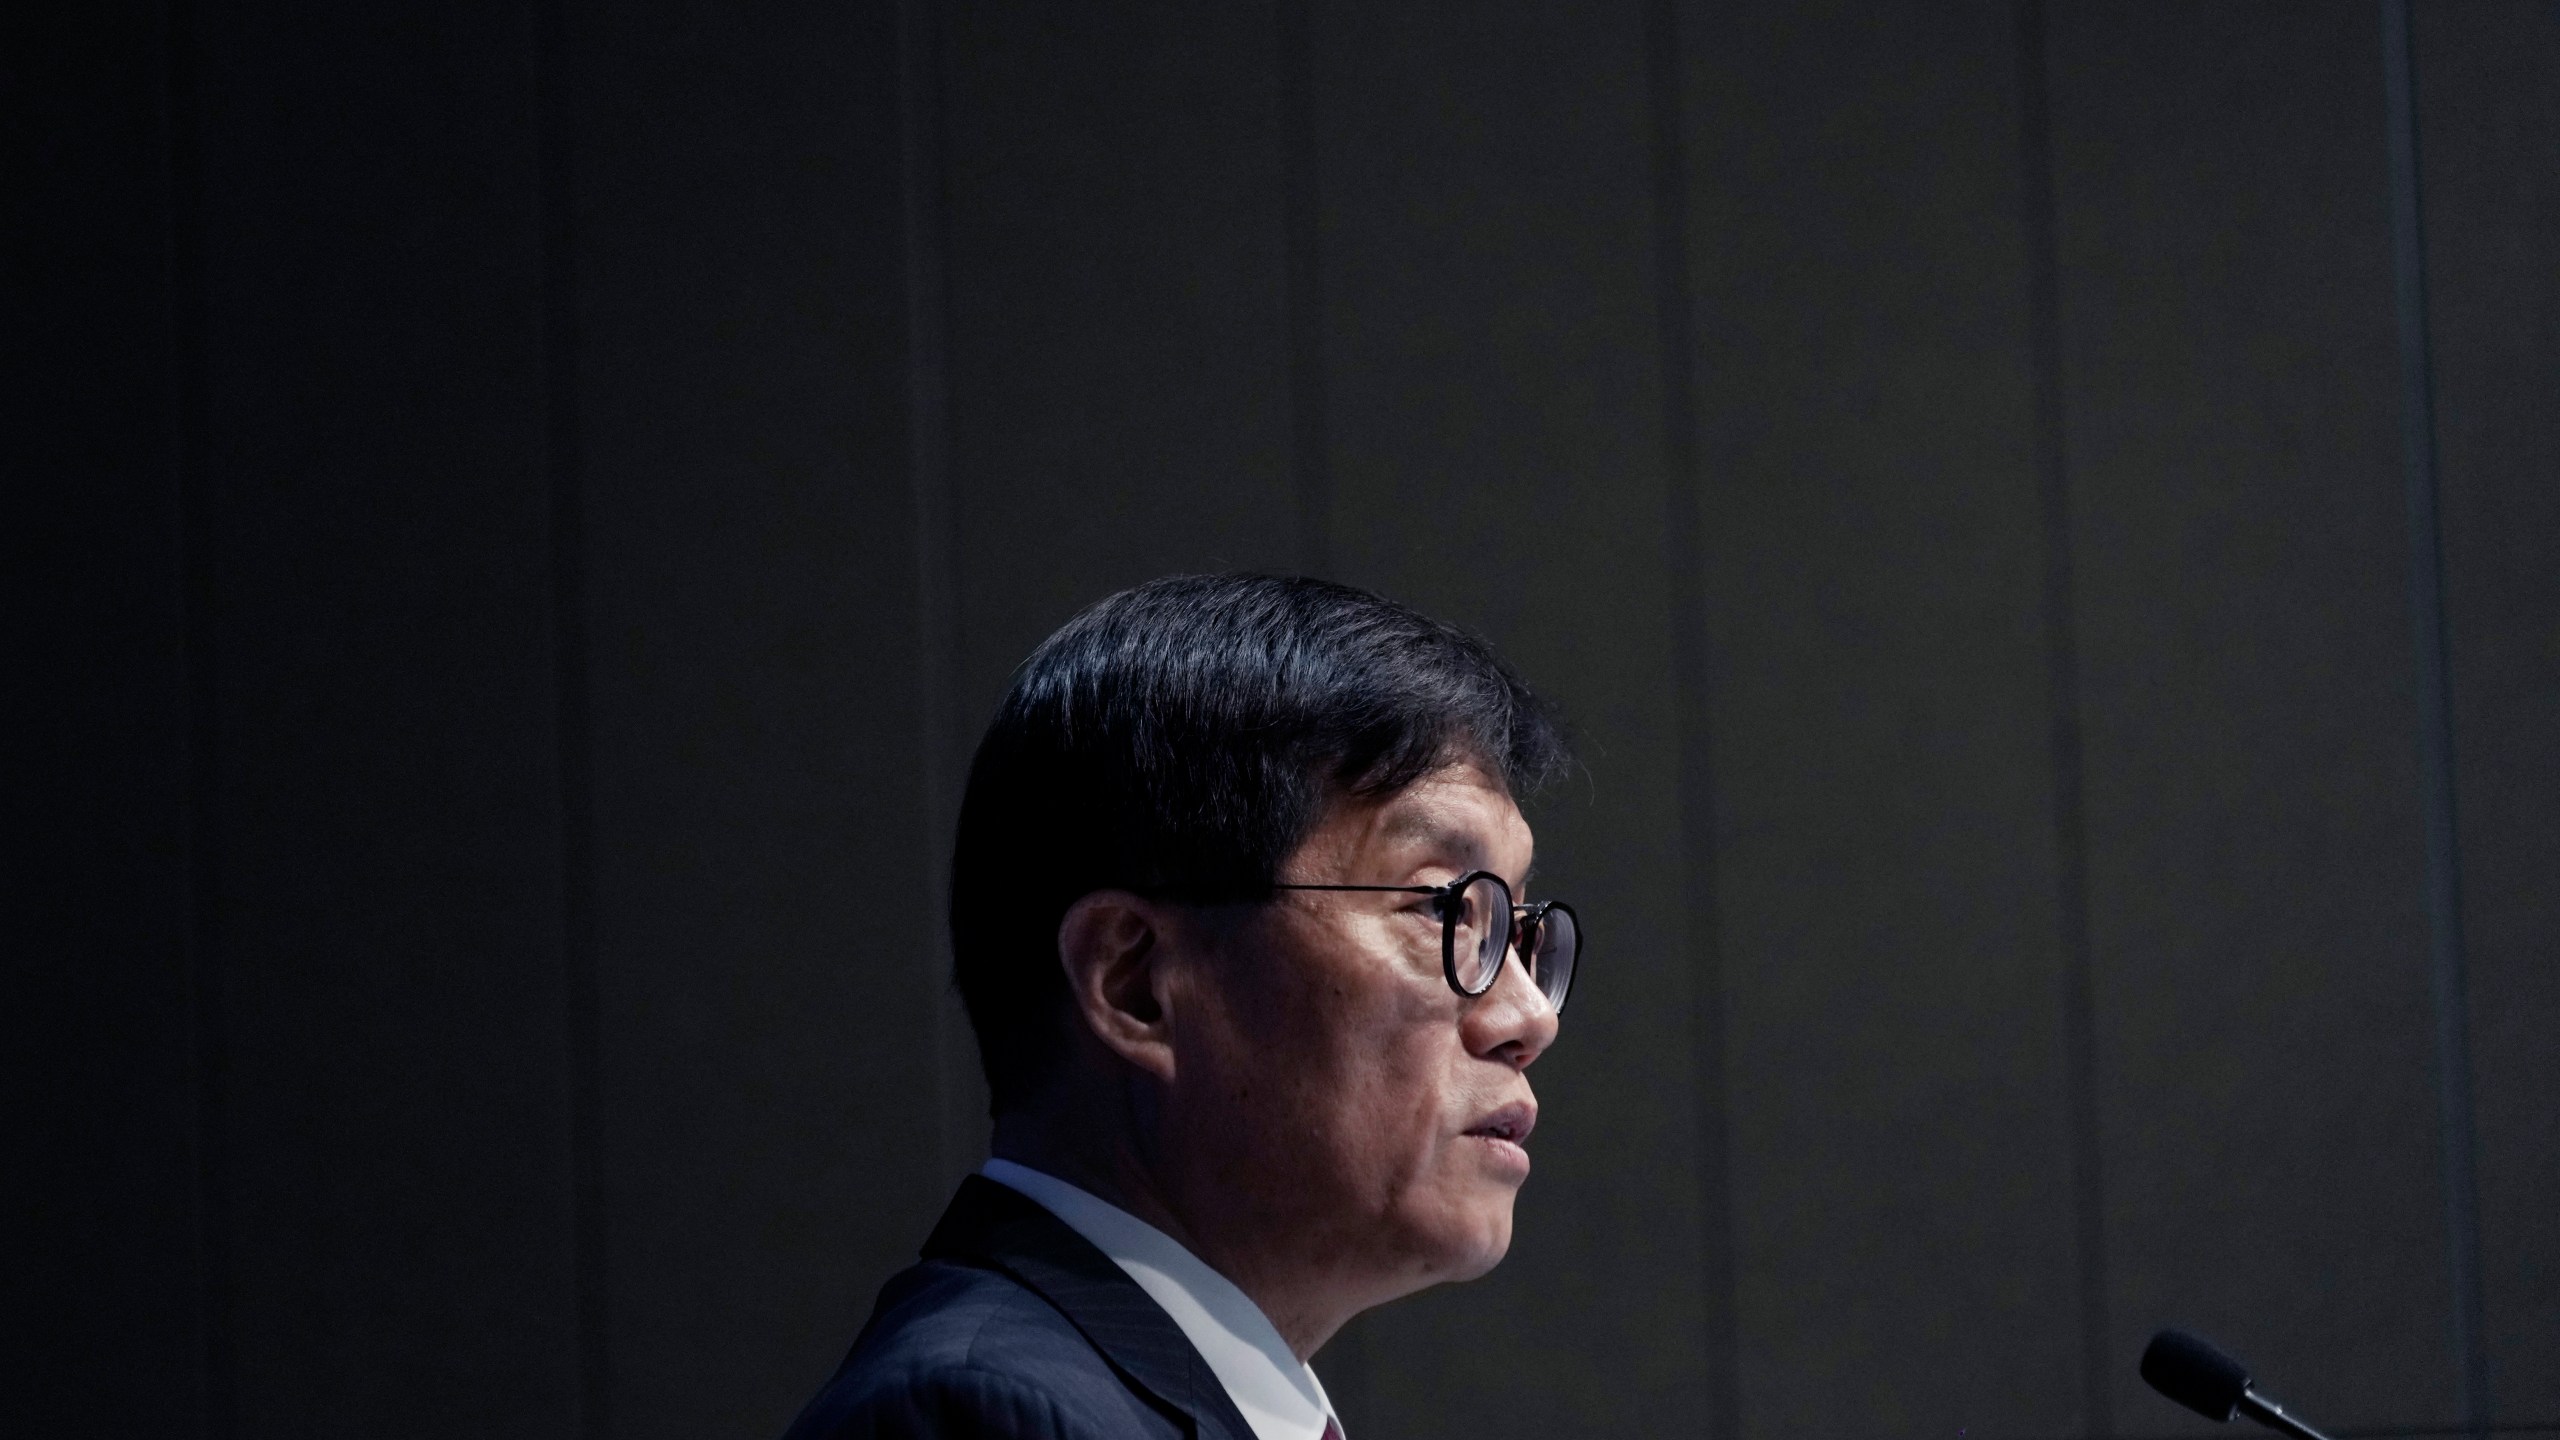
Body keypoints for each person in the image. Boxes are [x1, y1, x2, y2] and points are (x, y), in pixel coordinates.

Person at [783, 574, 1583, 1440]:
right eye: (1440, 908)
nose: (1529, 1015)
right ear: (1136, 983)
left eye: (1515, 926)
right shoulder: (980, 1416)